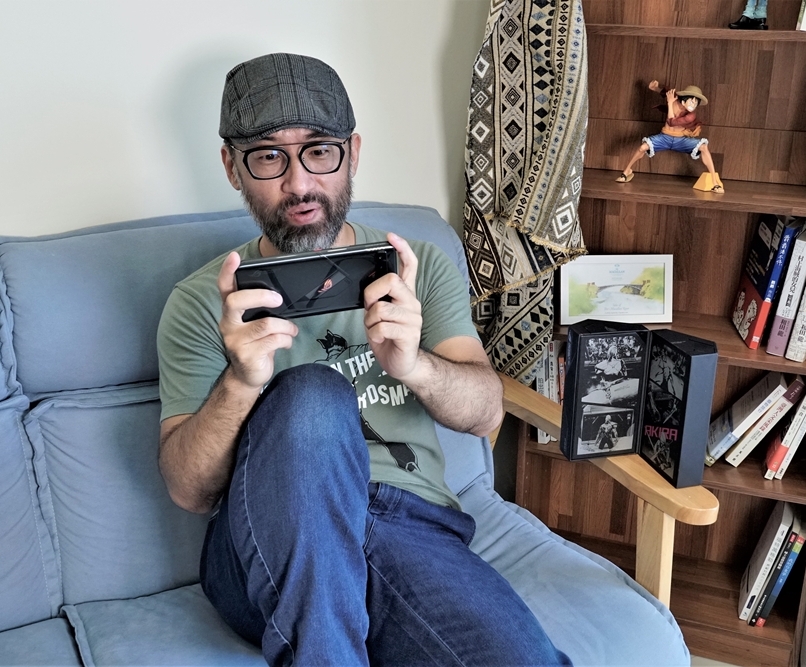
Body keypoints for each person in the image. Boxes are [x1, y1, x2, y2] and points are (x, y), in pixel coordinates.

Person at [156, 53, 571, 667]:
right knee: (312, 394)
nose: (299, 184)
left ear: (351, 152)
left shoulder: (416, 268)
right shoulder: (201, 300)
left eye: (319, 151)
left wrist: (414, 364)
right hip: (263, 539)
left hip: (407, 524)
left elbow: (486, 415)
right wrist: (242, 382)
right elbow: (190, 491)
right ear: (231, 167)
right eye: (268, 157)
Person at [616, 80, 723, 193]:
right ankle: (627, 171)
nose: (694, 105)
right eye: (692, 101)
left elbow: (671, 122)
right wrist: (656, 88)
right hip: (664, 138)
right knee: (643, 147)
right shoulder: (674, 99)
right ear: (685, 99)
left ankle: (715, 183)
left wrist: (670, 103)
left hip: (681, 140)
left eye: (696, 103)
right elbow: (667, 92)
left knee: (704, 147)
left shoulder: (690, 115)